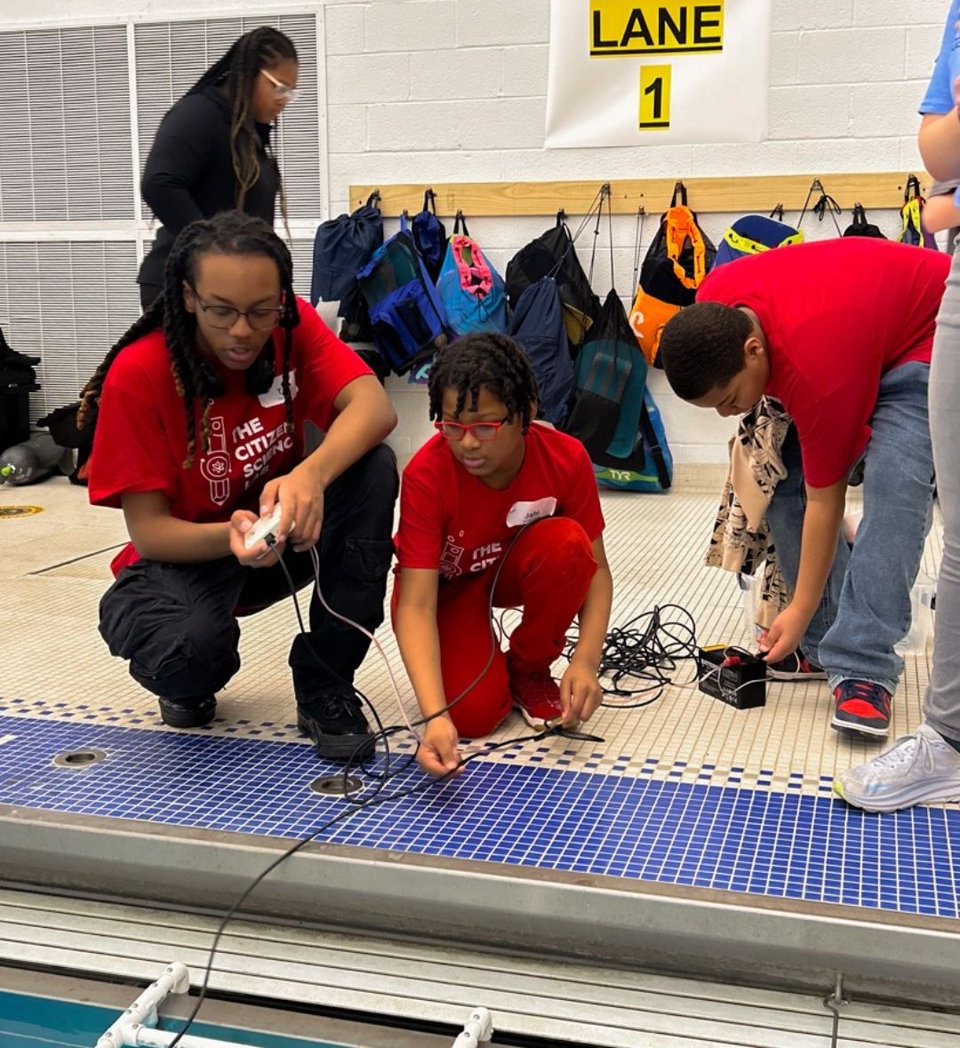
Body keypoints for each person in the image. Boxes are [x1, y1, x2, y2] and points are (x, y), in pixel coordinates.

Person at [79, 211, 398, 762]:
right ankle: (186, 675)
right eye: (221, 312)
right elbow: (151, 534)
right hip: (190, 554)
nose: (244, 331)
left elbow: (374, 406)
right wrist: (231, 535)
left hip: (284, 533)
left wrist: (309, 475)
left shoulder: (291, 325)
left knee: (373, 468)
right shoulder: (140, 372)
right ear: (186, 298)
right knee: (190, 652)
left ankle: (325, 684)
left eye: (259, 311)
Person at [659, 237, 949, 741]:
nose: (728, 414)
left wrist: (795, 607)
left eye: (728, 400)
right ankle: (817, 643)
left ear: (753, 349)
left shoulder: (819, 371)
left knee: (895, 493)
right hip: (855, 325)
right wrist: (803, 615)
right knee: (780, 475)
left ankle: (863, 665)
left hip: (928, 331)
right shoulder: (716, 300)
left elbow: (825, 499)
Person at [837, 0, 960, 809]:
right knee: (949, 526)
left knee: (901, 483)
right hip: (951, 291)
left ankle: (859, 652)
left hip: (920, 326)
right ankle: (947, 737)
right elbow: (935, 148)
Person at [392, 333, 612, 778]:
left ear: (526, 411)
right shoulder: (426, 475)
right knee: (472, 717)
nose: (468, 444)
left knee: (568, 545)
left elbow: (597, 572)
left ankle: (529, 668)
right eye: (451, 426)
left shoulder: (566, 458)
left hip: (513, 568)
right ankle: (488, 668)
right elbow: (415, 603)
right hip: (448, 590)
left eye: (485, 427)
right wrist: (436, 717)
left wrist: (586, 660)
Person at [137, 26, 299, 311]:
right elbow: (159, 184)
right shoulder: (199, 114)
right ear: (249, 74)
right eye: (279, 87)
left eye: (290, 92)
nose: (284, 99)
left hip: (232, 292)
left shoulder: (248, 133)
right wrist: (212, 253)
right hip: (184, 288)